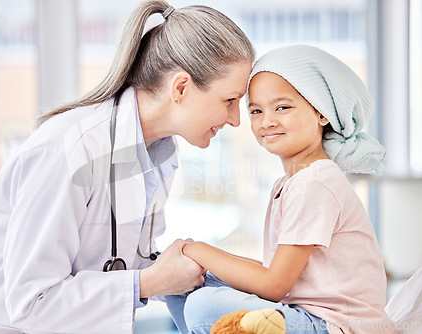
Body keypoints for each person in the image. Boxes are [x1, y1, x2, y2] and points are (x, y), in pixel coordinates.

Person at [0, 1, 255, 333]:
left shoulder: (158, 152)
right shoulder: (70, 149)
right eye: (229, 100)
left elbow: (116, 261)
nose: (236, 119)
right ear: (180, 88)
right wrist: (148, 282)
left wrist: (197, 270)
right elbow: (31, 301)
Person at [165, 45, 397, 334]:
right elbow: (273, 271)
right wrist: (196, 259)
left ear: (322, 114)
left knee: (204, 307)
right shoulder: (292, 182)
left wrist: (196, 249)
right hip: (302, 313)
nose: (267, 121)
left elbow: (273, 285)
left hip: (336, 326)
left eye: (282, 107)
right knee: (178, 284)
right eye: (256, 111)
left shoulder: (315, 183)